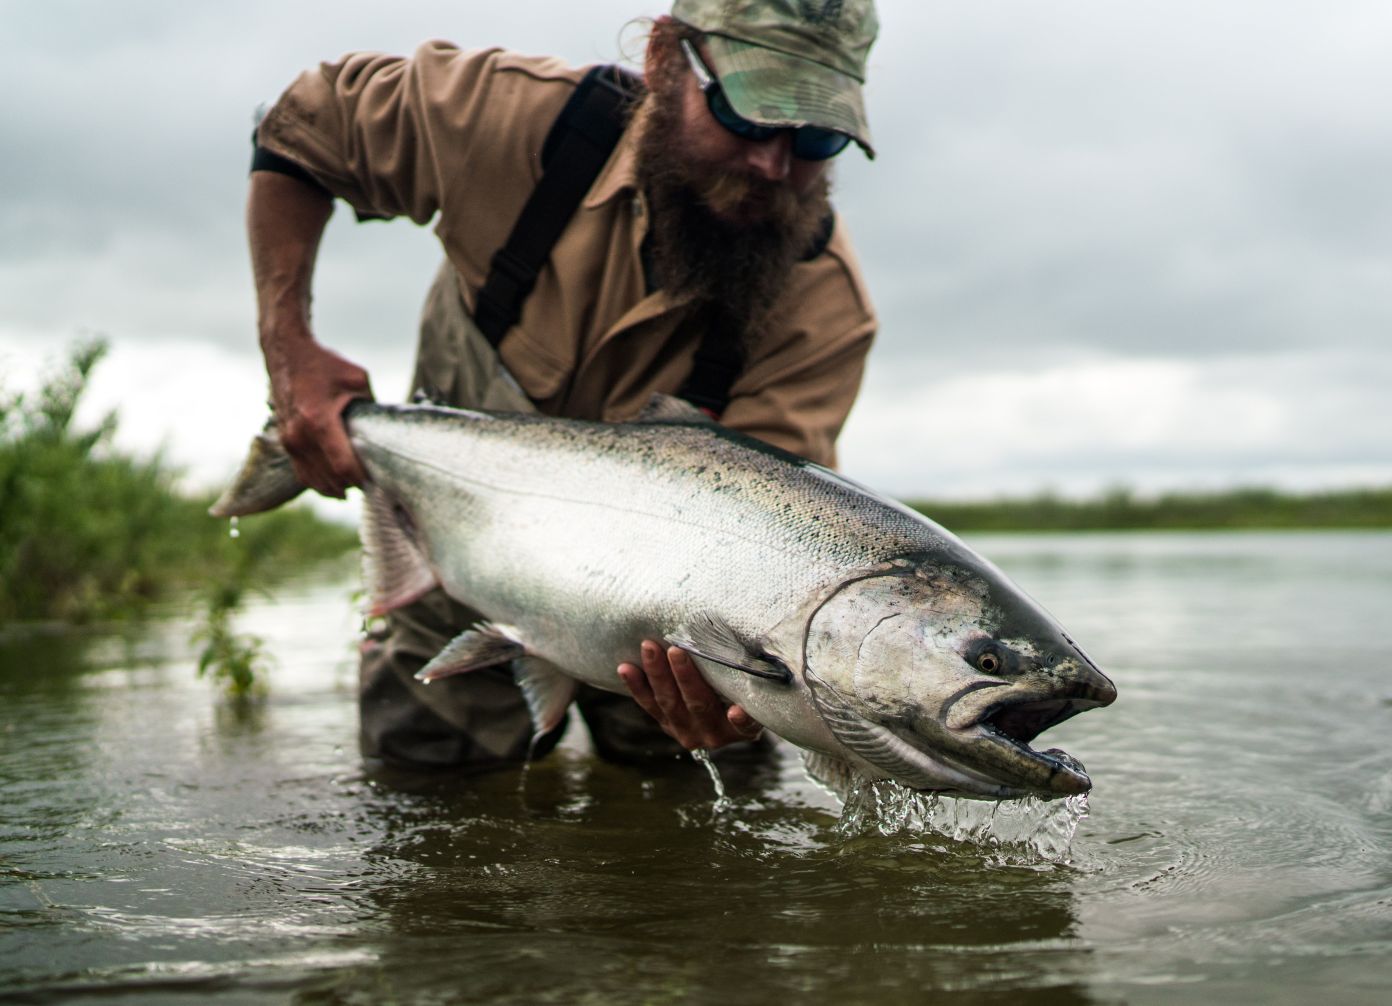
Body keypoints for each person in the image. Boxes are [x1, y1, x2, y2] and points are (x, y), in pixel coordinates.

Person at [246, 0, 879, 772]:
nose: (774, 163)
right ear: (664, 63)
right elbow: (303, 124)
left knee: (709, 823)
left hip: (673, 640)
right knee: (427, 820)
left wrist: (753, 704)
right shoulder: (512, 120)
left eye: (817, 136)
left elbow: (774, 554)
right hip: (455, 559)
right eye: (749, 116)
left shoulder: (826, 303)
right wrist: (291, 352)